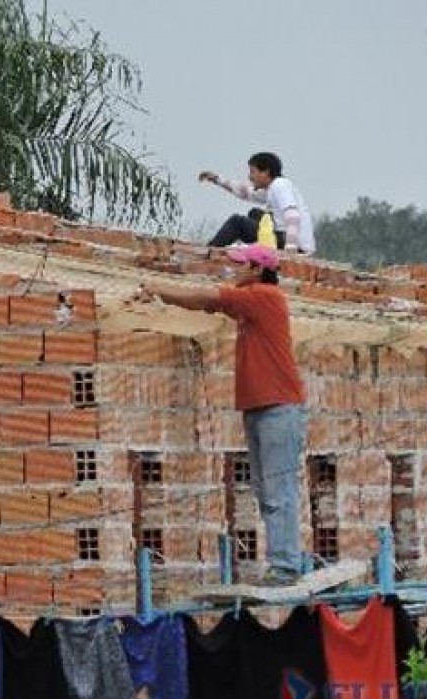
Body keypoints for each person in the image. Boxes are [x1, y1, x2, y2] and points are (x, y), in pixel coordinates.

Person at [132, 244, 307, 586]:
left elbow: (205, 297)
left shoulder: (263, 296)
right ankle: (283, 562)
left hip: (278, 408)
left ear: (257, 269)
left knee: (277, 487)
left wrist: (157, 289)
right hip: (260, 408)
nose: (233, 270)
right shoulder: (251, 306)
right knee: (264, 487)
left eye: (240, 265)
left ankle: (285, 565)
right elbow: (212, 303)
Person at [199, 152, 315, 254]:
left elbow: (292, 215)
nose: (250, 177)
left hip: (292, 243)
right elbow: (246, 192)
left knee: (237, 222)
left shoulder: (280, 185)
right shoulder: (271, 188)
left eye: (253, 172)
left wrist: (290, 249)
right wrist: (217, 180)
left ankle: (211, 251)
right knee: (254, 213)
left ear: (266, 172)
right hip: (284, 238)